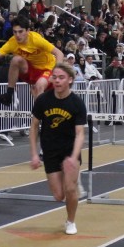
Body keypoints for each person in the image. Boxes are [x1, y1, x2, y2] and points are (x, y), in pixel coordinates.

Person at [29, 62, 86, 235]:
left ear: (70, 80)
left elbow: (80, 134)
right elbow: (34, 127)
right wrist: (34, 154)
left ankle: (71, 221)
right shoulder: (43, 100)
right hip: (50, 151)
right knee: (59, 196)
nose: (57, 81)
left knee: (70, 189)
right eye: (54, 77)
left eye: (61, 77)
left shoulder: (77, 103)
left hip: (69, 150)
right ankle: (72, 185)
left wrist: (73, 157)